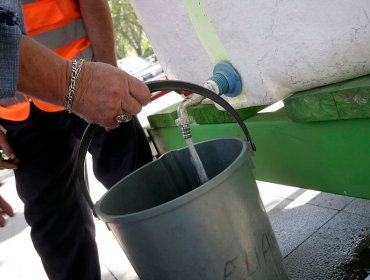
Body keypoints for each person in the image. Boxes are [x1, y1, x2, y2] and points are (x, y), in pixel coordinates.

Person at [0, 1, 153, 279]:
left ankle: (181, 267)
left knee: (142, 194)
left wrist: (108, 72)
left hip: (88, 77)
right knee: (56, 232)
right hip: (17, 113)